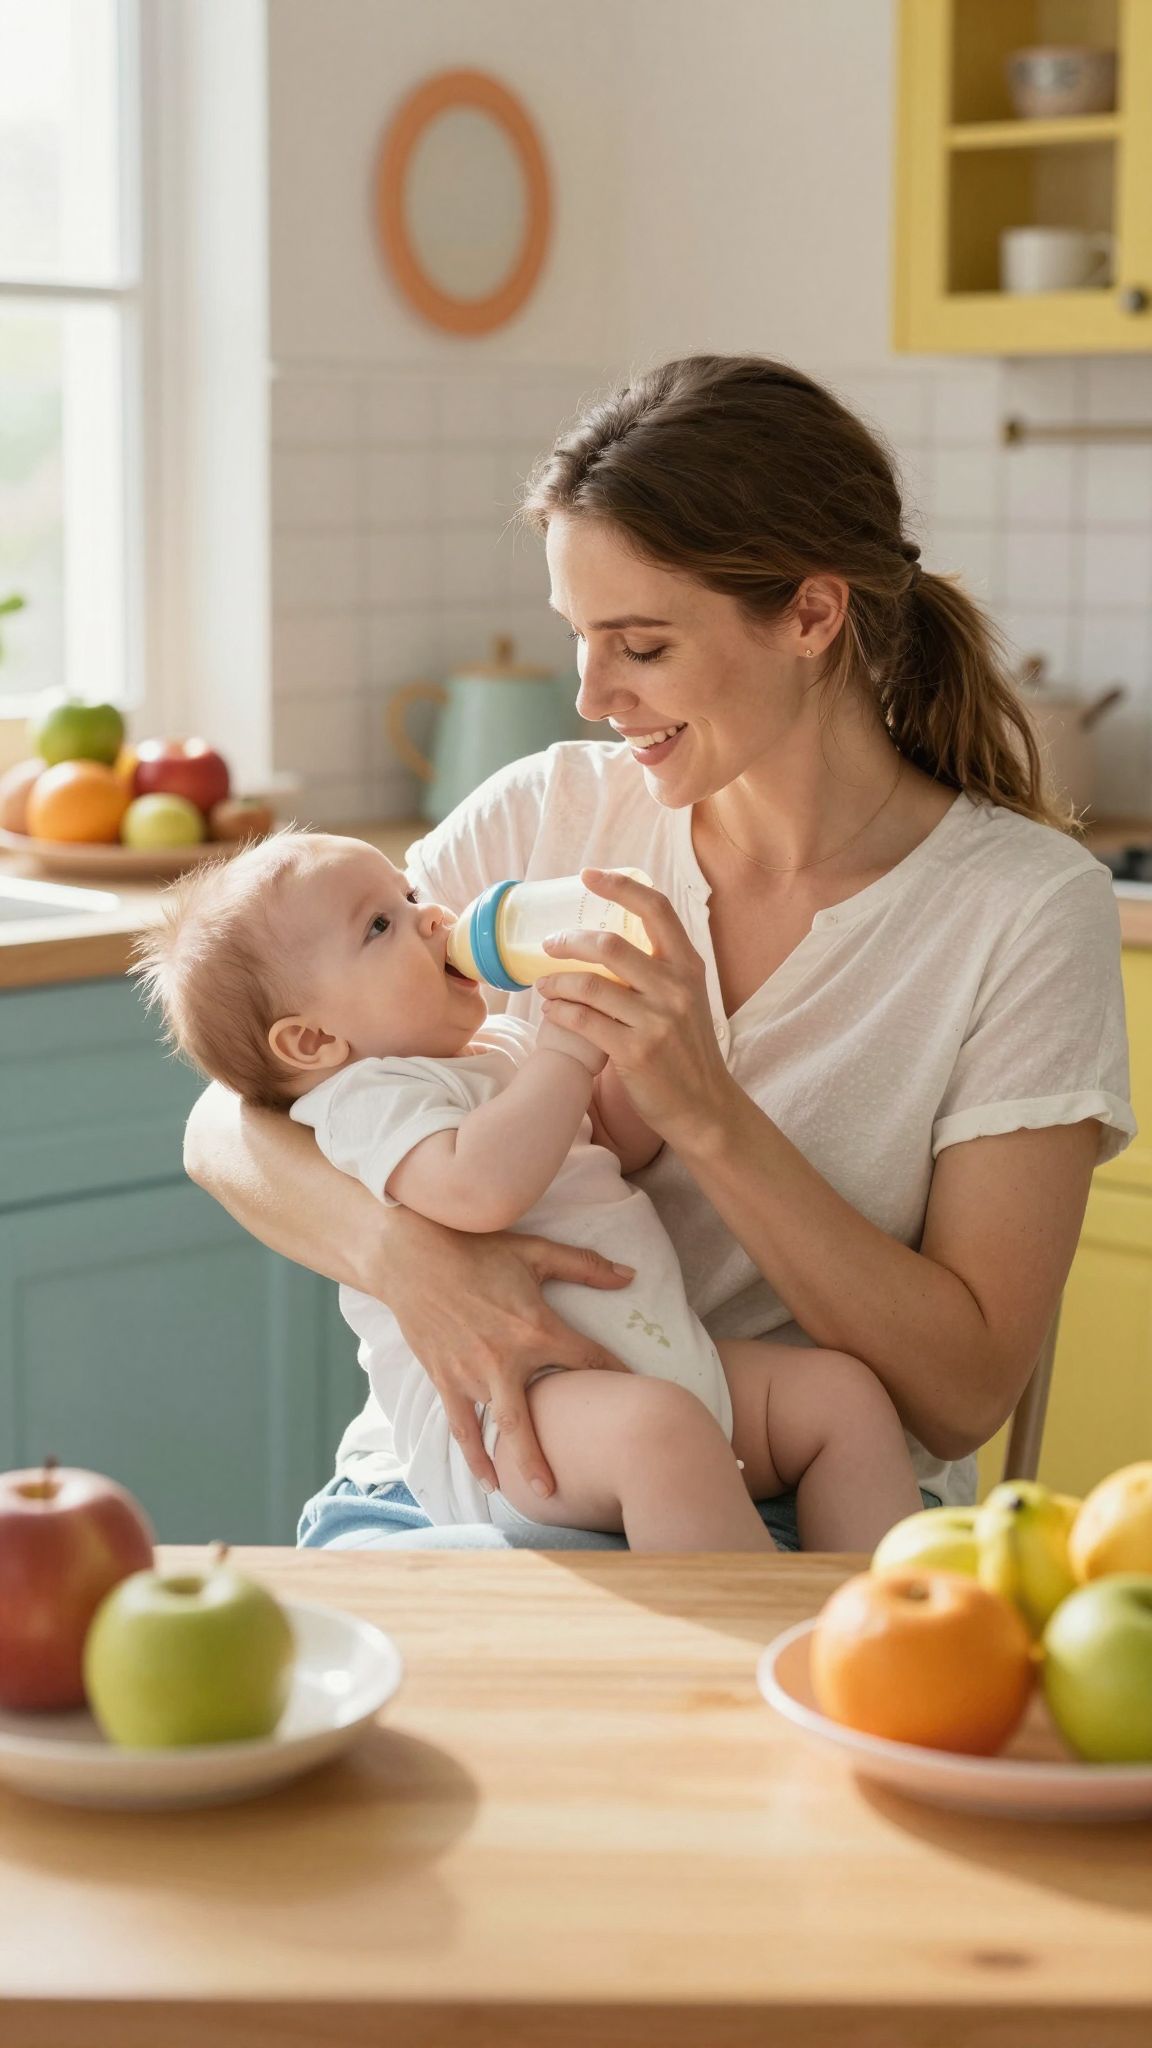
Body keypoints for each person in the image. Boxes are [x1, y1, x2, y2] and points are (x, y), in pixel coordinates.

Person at [184, 354, 1135, 1554]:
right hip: (473, 1473)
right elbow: (231, 1122)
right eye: (579, 638)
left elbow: (960, 1393)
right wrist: (408, 1258)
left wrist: (708, 1110)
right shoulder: (543, 814)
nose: (589, 694)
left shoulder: (1019, 911)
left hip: (804, 1491)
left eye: (638, 645)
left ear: (810, 612)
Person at [137, 829, 923, 1551]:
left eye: (409, 897)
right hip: (518, 1419)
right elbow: (477, 1189)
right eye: (379, 926)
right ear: (312, 1040)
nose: (431, 917)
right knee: (663, 1440)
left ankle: (880, 1638)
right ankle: (763, 1663)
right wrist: (566, 1057)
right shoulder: (365, 1100)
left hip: (652, 1364)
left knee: (840, 1399)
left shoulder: (495, 1044)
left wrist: (625, 1050)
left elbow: (612, 1144)